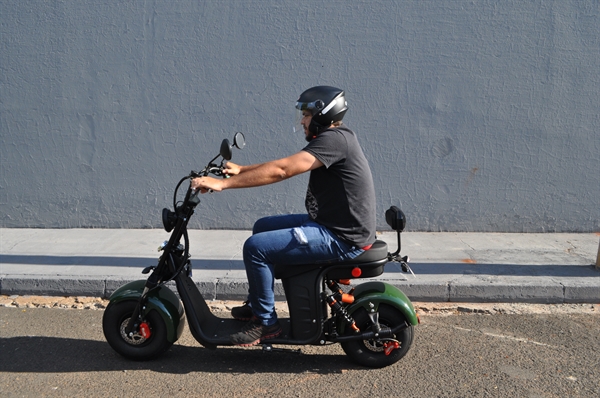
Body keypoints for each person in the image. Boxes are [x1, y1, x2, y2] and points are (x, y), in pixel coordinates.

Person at [191, 86, 377, 346]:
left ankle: (266, 324)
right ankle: (258, 304)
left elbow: (282, 170)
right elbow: (284, 163)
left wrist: (222, 184)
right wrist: (243, 169)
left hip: (342, 238)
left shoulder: (334, 140)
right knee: (262, 228)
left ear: (323, 114)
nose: (302, 120)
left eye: (307, 114)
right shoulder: (335, 138)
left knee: (255, 248)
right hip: (331, 225)